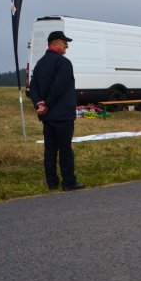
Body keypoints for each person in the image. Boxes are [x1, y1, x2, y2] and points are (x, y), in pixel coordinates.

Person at [29, 31, 85, 191]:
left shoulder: (40, 63)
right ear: (55, 43)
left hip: (47, 116)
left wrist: (39, 104)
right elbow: (59, 87)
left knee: (50, 150)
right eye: (64, 42)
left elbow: (33, 87)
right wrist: (47, 104)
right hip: (62, 114)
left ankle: (52, 182)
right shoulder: (63, 63)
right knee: (65, 149)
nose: (67, 45)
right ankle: (68, 182)